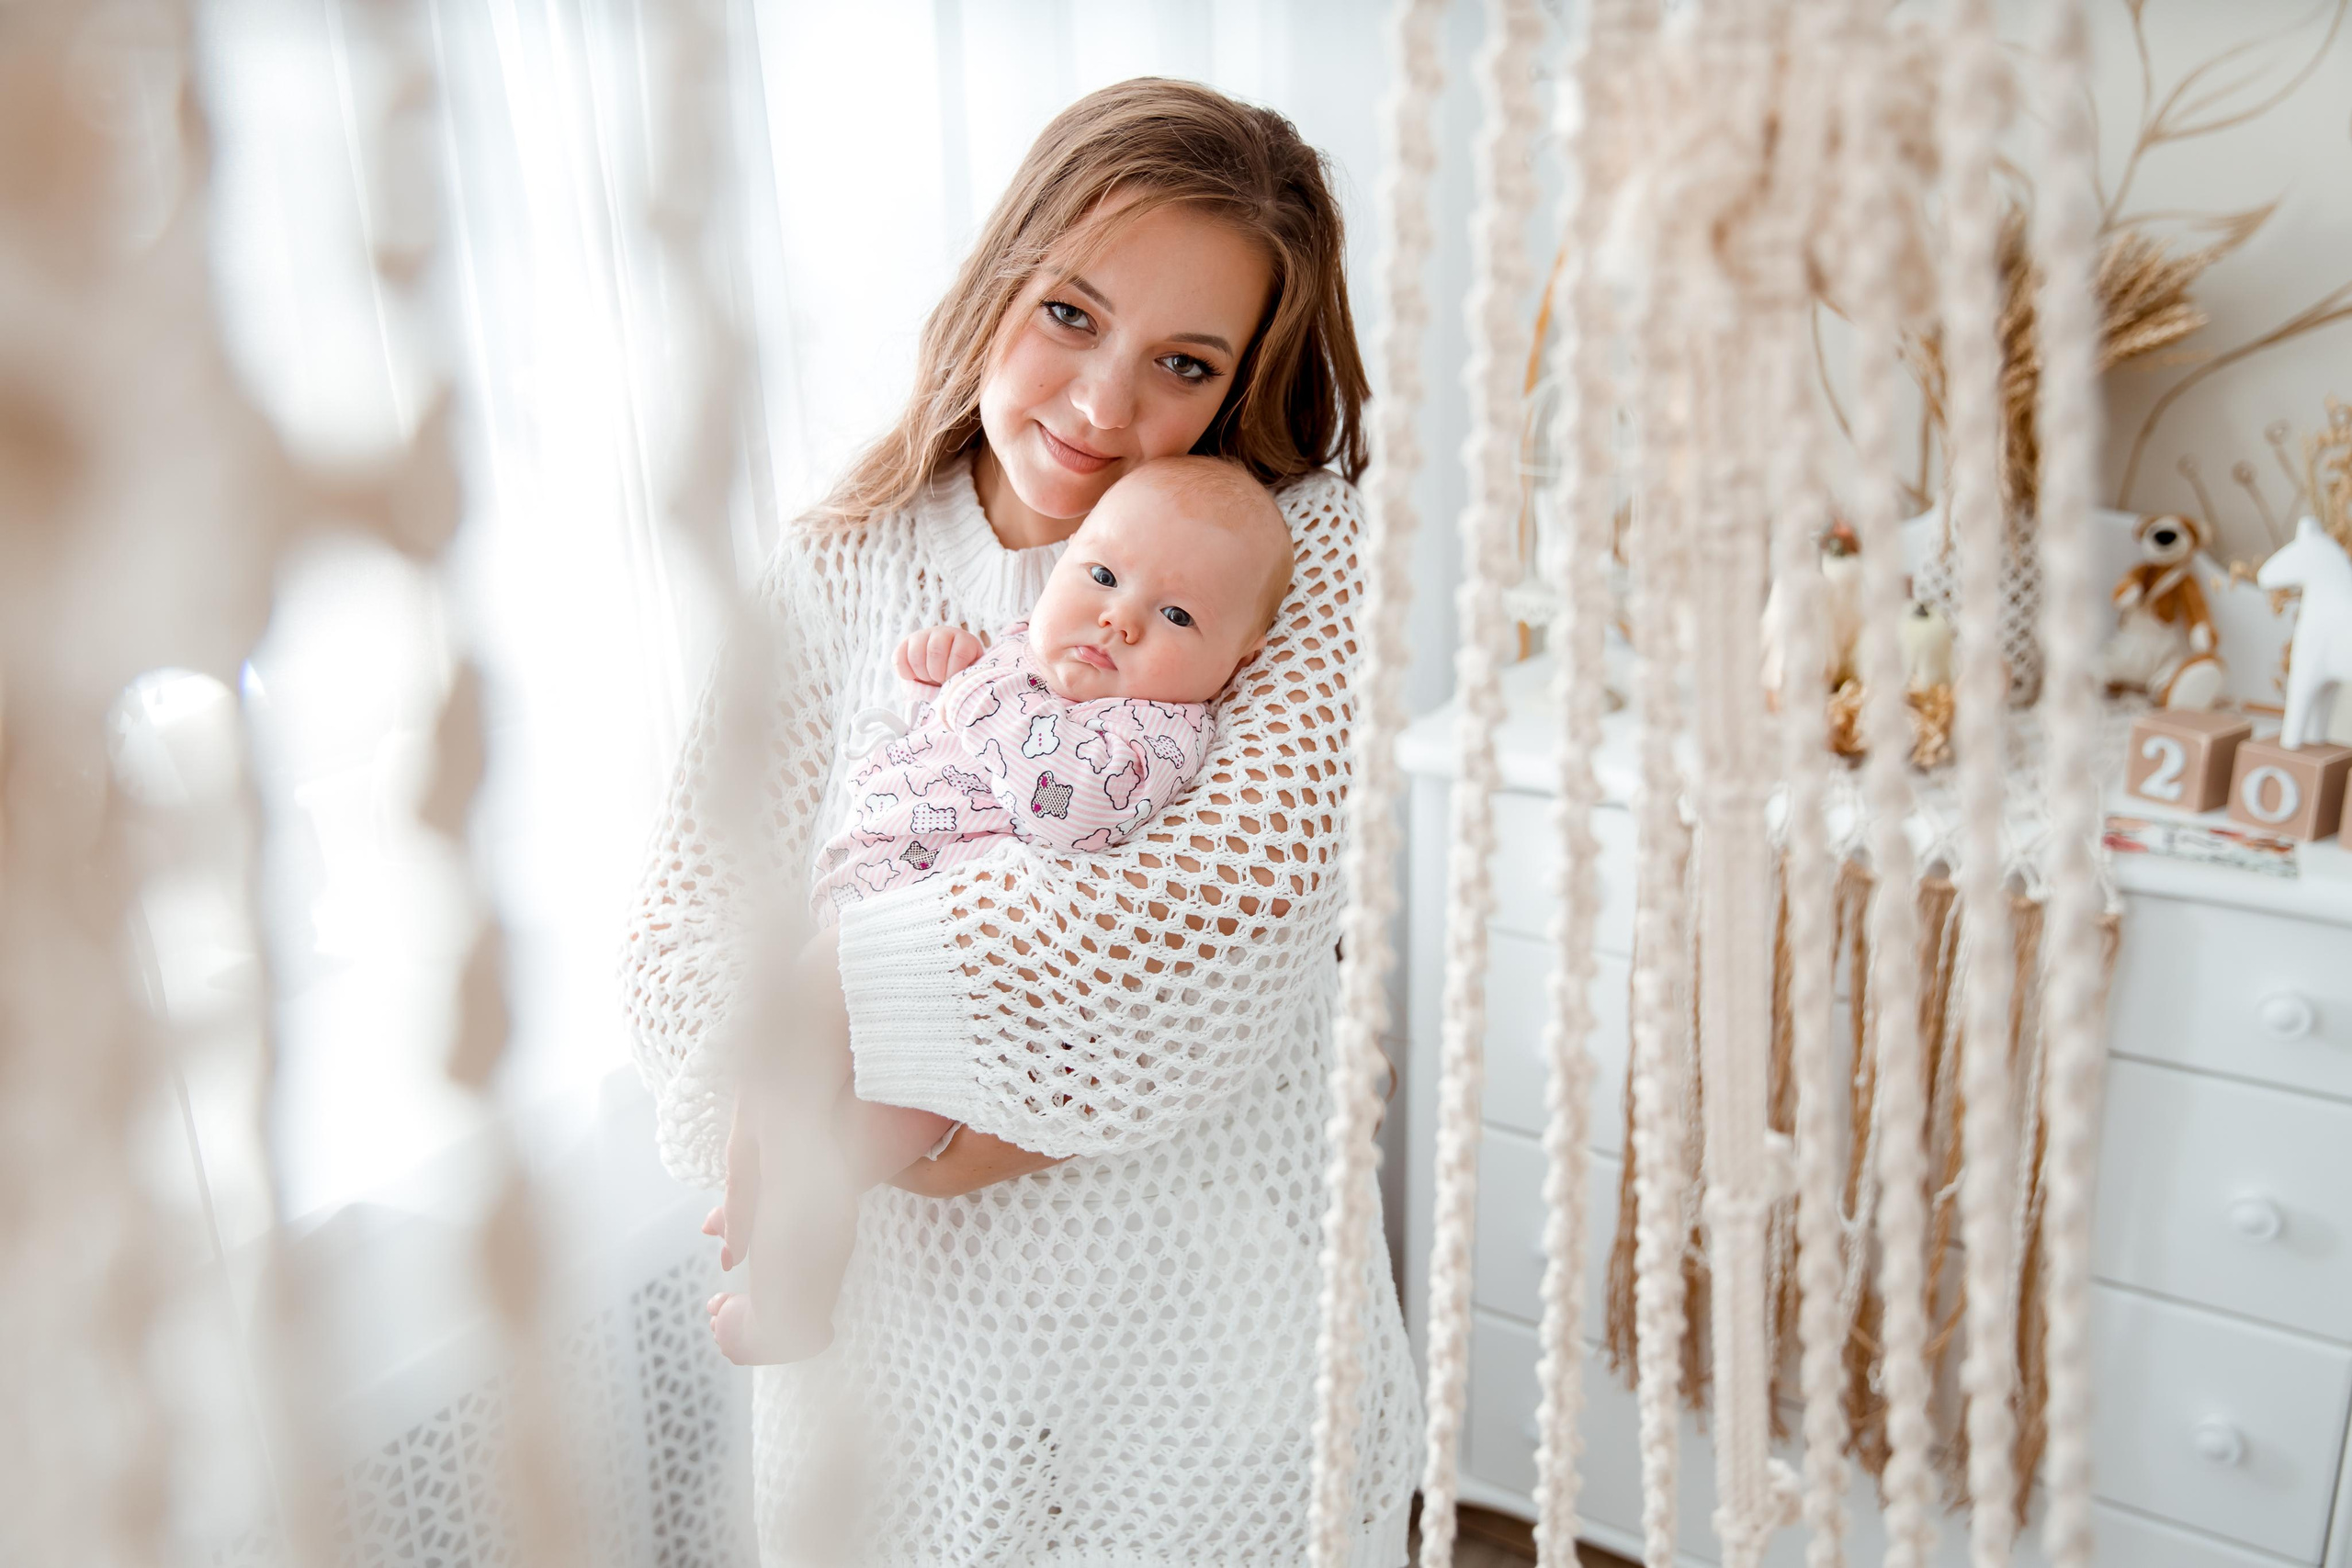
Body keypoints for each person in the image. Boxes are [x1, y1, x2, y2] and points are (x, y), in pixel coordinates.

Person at [621, 77, 1421, 1566]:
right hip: (895, 1375)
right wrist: (900, 1096)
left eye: (1184, 363)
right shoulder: (839, 564)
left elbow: (1216, 914)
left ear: (1241, 383)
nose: (1106, 405)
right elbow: (681, 935)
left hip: (1201, 1354)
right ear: (998, 280)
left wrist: (843, 993)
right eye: (1070, 314)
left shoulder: (1295, 553)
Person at [706, 456, 1296, 1365]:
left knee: (840, 1150)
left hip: (953, 996)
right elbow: (933, 748)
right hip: (870, 918)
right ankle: (768, 1238)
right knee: (795, 1124)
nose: (1120, 619)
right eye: (1102, 574)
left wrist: (974, 694)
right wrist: (937, 680)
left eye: (1177, 616)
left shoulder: (1159, 731)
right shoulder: (1019, 654)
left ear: (1238, 659)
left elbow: (1065, 806)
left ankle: (786, 1301)